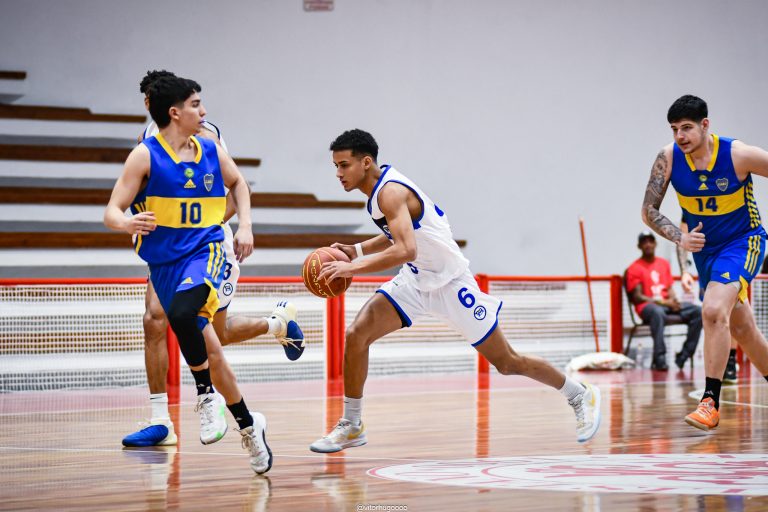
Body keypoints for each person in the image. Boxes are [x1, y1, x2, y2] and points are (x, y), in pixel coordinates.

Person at [309, 129, 602, 453]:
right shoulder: (380, 193)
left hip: (451, 283)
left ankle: (579, 394)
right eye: (336, 166)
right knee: (356, 335)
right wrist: (356, 250)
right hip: (416, 281)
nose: (338, 173)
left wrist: (352, 268)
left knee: (507, 362)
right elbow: (397, 234)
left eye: (344, 165)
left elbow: (406, 248)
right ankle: (352, 424)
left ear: (366, 162)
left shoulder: (390, 192)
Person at [122, 70, 305, 449]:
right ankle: (161, 420)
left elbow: (236, 187)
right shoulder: (148, 141)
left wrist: (224, 227)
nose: (148, 102)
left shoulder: (204, 137)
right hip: (172, 249)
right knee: (155, 320)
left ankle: (271, 335)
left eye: (152, 96)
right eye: (145, 97)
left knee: (210, 335)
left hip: (208, 246)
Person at [105, 75, 270, 473]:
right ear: (174, 112)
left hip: (206, 250)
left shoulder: (209, 145)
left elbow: (239, 184)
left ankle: (206, 397)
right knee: (208, 345)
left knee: (181, 315)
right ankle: (250, 426)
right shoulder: (144, 154)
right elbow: (111, 211)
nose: (204, 111)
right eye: (196, 104)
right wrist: (126, 223)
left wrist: (245, 226)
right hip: (164, 262)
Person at [641, 94, 768, 431]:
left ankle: (710, 402)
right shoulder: (668, 158)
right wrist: (679, 238)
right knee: (742, 330)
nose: (680, 136)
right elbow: (648, 211)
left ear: (705, 125)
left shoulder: (737, 154)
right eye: (674, 129)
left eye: (686, 127)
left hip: (742, 242)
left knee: (711, 311)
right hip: (704, 251)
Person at [626, 231, 702, 370]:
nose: (648, 244)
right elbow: (638, 297)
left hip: (666, 305)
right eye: (644, 242)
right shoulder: (634, 268)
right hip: (647, 307)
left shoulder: (663, 264)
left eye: (650, 241)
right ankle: (659, 358)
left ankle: (684, 355)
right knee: (657, 312)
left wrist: (674, 301)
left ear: (655, 244)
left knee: (698, 311)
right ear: (639, 246)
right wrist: (665, 302)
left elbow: (669, 288)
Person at [680, 220, 739, 382]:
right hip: (707, 263)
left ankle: (730, 361)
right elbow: (683, 234)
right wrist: (684, 271)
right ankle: (715, 374)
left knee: (734, 316)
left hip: (733, 258)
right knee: (711, 315)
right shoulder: (689, 205)